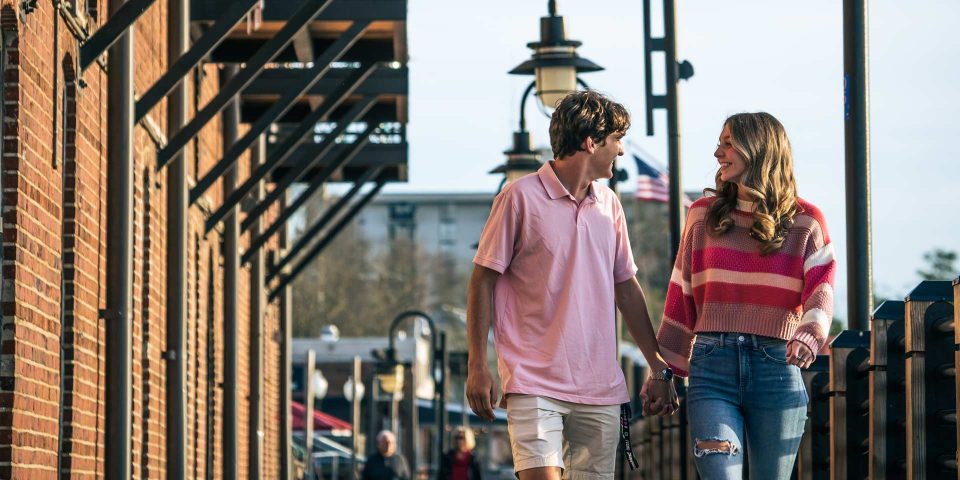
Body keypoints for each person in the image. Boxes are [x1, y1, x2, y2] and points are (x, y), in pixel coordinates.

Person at [466, 90, 678, 480]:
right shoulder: (518, 197)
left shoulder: (610, 204)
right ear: (591, 141)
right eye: (616, 140)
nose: (621, 151)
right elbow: (482, 281)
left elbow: (627, 290)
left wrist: (658, 367)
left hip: (601, 388)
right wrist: (477, 365)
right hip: (533, 383)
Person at [651, 112, 836, 479]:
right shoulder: (702, 215)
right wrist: (663, 372)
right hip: (711, 368)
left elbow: (822, 288)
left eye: (728, 143)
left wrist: (809, 335)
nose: (718, 152)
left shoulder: (806, 221)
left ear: (758, 149)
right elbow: (681, 294)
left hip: (777, 370)